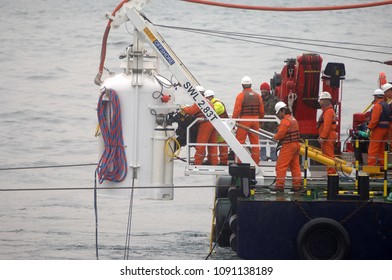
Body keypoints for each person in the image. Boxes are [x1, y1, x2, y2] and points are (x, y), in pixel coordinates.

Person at [181, 87, 218, 166]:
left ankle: (198, 162)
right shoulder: (208, 101)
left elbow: (191, 111)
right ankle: (214, 162)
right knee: (212, 143)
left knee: (201, 143)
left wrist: (183, 107)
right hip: (213, 123)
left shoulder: (200, 101)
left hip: (205, 124)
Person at [232, 76, 264, 164]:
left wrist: (233, 121)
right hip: (256, 120)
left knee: (240, 141)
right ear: (251, 84)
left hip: (244, 120)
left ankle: (239, 161)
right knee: (255, 142)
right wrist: (260, 120)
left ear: (242, 85)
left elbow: (237, 110)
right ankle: (256, 162)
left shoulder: (241, 95)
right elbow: (261, 111)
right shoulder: (258, 96)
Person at [273, 101, 302, 192]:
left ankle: (279, 187)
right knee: (295, 167)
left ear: (282, 111)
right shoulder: (293, 119)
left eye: (278, 113)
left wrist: (275, 137)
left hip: (288, 146)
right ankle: (296, 186)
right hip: (296, 145)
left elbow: (280, 135)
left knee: (281, 166)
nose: (278, 115)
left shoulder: (285, 121)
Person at [204, 89, 229, 165]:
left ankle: (223, 162)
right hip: (218, 127)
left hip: (223, 127)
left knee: (222, 145)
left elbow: (210, 113)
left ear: (210, 97)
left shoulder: (218, 104)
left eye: (207, 98)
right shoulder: (213, 103)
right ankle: (211, 160)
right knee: (212, 145)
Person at [367, 88, 390, 167]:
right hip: (386, 129)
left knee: (373, 147)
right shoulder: (386, 105)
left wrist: (369, 127)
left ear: (376, 97)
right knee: (381, 147)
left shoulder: (377, 106)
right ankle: (382, 164)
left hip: (378, 129)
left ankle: (371, 165)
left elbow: (374, 120)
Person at [317, 91, 337, 175]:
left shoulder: (328, 112)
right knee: (326, 156)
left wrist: (323, 137)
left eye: (321, 100)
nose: (319, 102)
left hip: (328, 137)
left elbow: (327, 126)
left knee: (329, 156)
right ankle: (330, 172)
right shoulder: (327, 111)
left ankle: (331, 173)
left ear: (325, 101)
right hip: (327, 136)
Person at [259, 82, 280, 161]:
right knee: (262, 145)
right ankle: (263, 158)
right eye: (261, 89)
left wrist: (279, 124)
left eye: (264, 89)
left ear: (268, 90)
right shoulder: (259, 99)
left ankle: (274, 158)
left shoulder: (276, 100)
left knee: (273, 146)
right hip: (262, 127)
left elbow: (279, 112)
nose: (262, 91)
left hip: (273, 127)